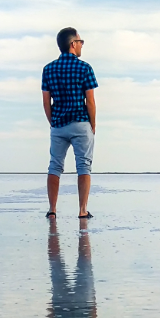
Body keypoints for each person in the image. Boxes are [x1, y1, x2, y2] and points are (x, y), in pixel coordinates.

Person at [42, 27, 98, 219]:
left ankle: (52, 209)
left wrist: (53, 121)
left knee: (54, 166)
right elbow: (89, 101)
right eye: (80, 41)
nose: (82, 44)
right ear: (73, 44)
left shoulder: (48, 69)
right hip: (81, 122)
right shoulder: (85, 68)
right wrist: (93, 124)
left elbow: (46, 101)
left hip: (58, 124)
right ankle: (82, 210)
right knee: (84, 166)